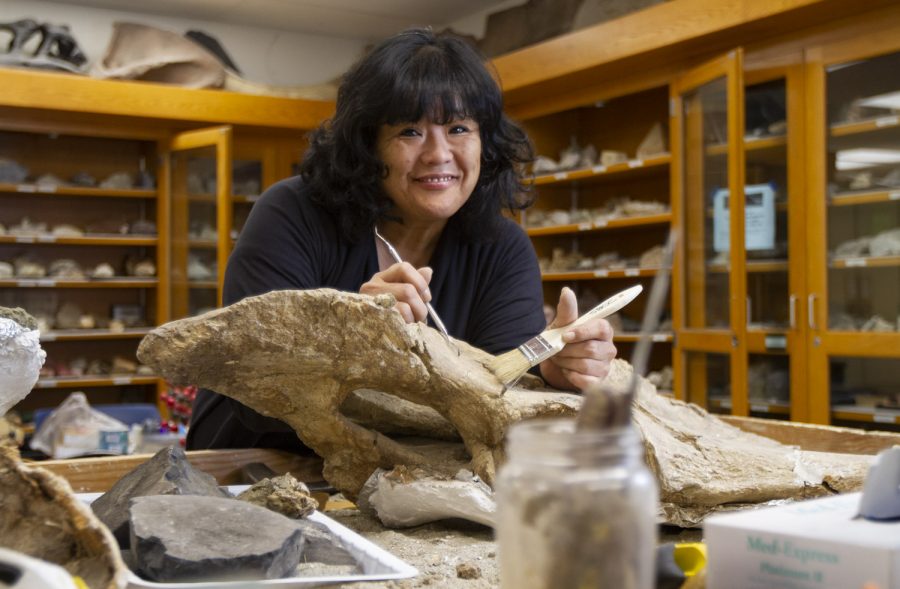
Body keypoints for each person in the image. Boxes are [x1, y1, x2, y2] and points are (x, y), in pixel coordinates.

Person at [187, 28, 616, 452]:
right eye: (410, 131)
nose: (438, 154)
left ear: (486, 143)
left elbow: (501, 399)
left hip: (400, 476)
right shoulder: (290, 213)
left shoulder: (501, 246)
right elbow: (255, 393)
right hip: (255, 468)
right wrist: (354, 336)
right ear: (368, 146)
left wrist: (552, 371)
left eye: (459, 128)